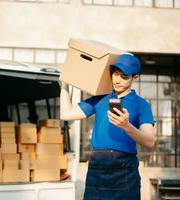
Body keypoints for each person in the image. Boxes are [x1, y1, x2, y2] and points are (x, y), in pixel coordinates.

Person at [60, 54, 156, 200]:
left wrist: (127, 126)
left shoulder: (141, 104)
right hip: (98, 165)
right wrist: (64, 85)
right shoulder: (99, 98)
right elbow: (66, 114)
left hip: (125, 167)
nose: (117, 80)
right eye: (115, 74)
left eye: (124, 76)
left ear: (134, 78)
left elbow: (150, 141)